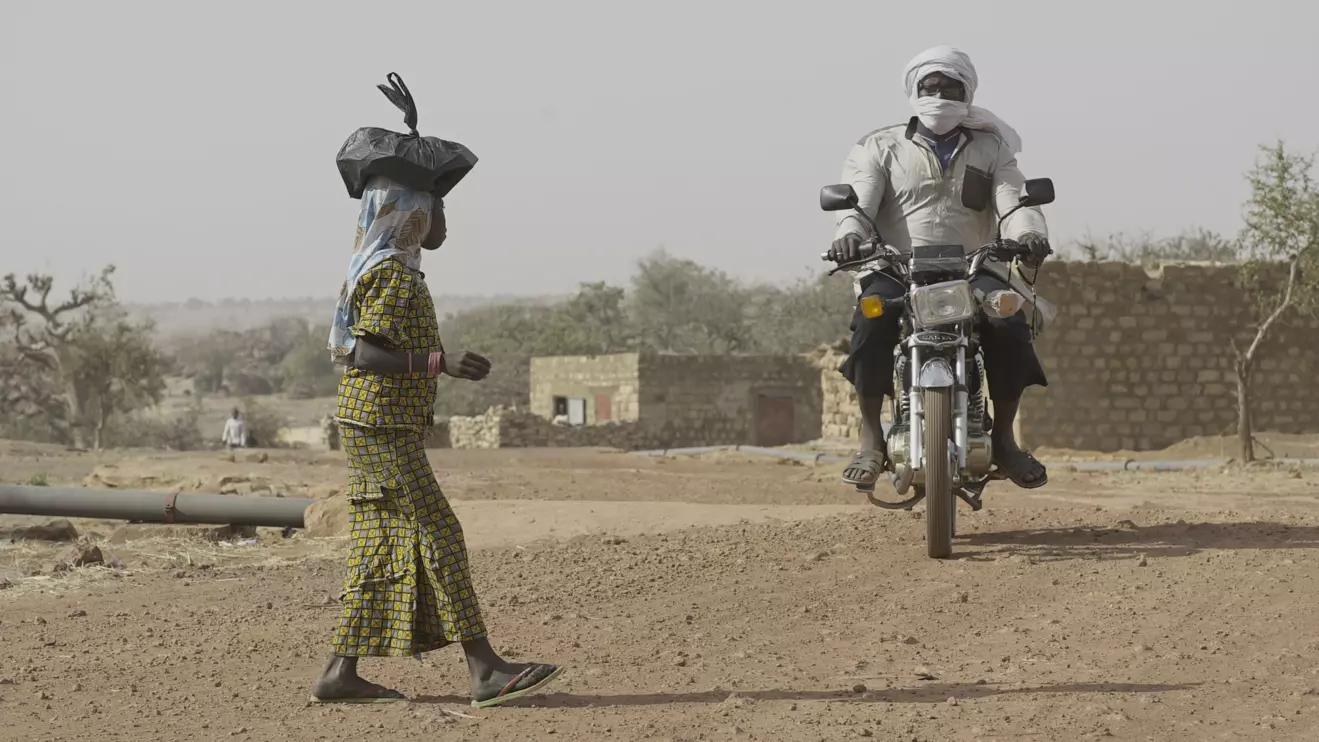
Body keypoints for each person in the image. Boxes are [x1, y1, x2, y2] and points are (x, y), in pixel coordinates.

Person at [314, 176, 563, 707]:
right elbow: (363, 355)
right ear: (410, 218)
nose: (443, 222)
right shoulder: (393, 277)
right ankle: (485, 670)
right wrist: (438, 364)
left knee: (380, 542)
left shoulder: (386, 268)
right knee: (440, 531)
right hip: (381, 427)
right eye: (436, 210)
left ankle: (340, 673)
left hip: (375, 423)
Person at [826, 45, 1052, 492]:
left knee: (1008, 322)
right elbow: (858, 202)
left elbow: (1013, 200)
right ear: (913, 91)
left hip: (974, 265)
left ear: (967, 91)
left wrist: (1028, 233)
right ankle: (870, 436)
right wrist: (849, 233)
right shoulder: (880, 146)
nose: (939, 95)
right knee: (872, 321)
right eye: (930, 87)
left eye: (949, 87)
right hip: (894, 266)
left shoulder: (991, 147)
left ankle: (1005, 440)